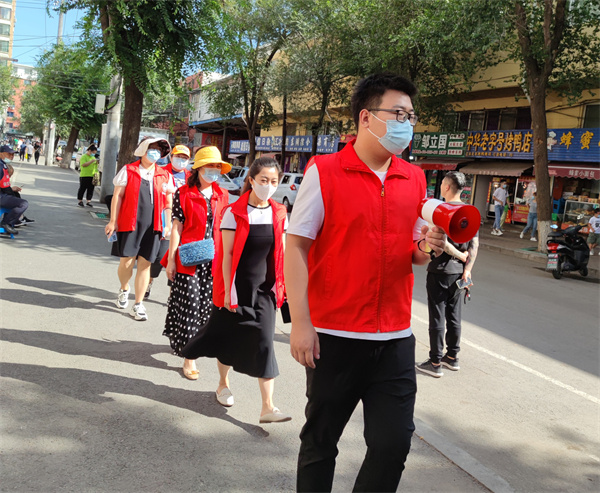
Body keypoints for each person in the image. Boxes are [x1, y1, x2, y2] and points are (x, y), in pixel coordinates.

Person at [284, 73, 446, 492]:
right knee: (321, 442)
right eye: (398, 114)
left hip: (394, 338)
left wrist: (428, 246)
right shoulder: (325, 171)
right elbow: (296, 246)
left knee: (393, 444)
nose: (406, 124)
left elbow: (413, 253)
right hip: (335, 337)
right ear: (366, 117)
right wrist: (301, 322)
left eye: (411, 116)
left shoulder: (414, 178)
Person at [182, 157, 291, 424]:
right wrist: (228, 292)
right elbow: (227, 254)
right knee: (227, 339)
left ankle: (268, 407)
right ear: (251, 180)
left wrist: (283, 287)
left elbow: (283, 252)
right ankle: (223, 384)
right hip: (236, 287)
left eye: (274, 181)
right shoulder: (234, 212)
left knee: (265, 342)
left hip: (265, 291)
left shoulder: (279, 212)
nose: (269, 186)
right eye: (263, 180)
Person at [162, 146, 229, 379]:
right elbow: (177, 227)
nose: (214, 170)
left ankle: (190, 343)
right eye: (210, 166)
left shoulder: (223, 195)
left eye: (217, 166)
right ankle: (189, 358)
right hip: (188, 260)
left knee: (205, 308)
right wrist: (172, 260)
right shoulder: (183, 193)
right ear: (199, 168)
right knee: (189, 305)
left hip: (214, 262)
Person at [416, 171, 479, 378]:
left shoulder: (440, 212)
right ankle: (452, 357)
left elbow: (441, 244)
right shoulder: (469, 213)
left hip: (440, 270)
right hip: (459, 273)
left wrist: (459, 256)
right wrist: (467, 270)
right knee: (454, 316)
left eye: (443, 182)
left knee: (437, 316)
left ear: (447, 187)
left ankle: (435, 362)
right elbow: (475, 245)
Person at [104, 137, 174, 321]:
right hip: (130, 224)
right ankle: (124, 288)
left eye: (159, 149)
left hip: (154, 226)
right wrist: (113, 221)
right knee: (126, 262)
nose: (156, 152)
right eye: (152, 148)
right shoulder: (128, 170)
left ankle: (138, 304)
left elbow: (168, 203)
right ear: (143, 149)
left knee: (145, 265)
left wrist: (167, 225)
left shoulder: (165, 175)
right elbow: (117, 196)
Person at [146, 144, 192, 299]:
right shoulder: (160, 172)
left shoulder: (191, 177)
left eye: (184, 158)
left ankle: (173, 294)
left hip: (184, 222)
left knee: (179, 259)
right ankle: (149, 281)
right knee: (159, 257)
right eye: (178, 157)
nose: (181, 160)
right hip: (165, 220)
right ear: (171, 157)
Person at [0, 145, 29, 235]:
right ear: (1, 154)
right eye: (9, 154)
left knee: (15, 196)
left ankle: (13, 220)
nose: (11, 156)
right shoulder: (2, 167)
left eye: (12, 155)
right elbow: (5, 187)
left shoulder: (3, 165)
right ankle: (6, 223)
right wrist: (12, 193)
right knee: (23, 204)